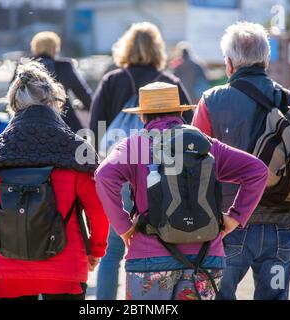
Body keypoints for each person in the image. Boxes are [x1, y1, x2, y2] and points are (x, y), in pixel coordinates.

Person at [192, 21, 290, 300]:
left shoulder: (211, 101)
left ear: (229, 63)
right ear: (266, 60)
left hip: (228, 225)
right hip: (283, 226)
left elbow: (195, 168)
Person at [0, 61, 109, 300]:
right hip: (66, 271)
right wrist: (95, 250)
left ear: (14, 105)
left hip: (11, 270)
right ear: (54, 102)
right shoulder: (75, 152)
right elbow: (98, 210)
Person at [95, 82, 268, 300]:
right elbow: (258, 171)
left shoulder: (134, 146)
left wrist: (123, 226)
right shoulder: (206, 145)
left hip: (149, 258)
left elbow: (103, 176)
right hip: (205, 259)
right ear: (180, 112)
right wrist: (236, 217)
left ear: (143, 117)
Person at [90, 22, 193, 300]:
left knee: (112, 252)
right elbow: (190, 132)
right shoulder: (170, 83)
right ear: (158, 49)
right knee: (164, 243)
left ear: (125, 47)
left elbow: (94, 129)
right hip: (165, 177)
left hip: (120, 175)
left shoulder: (112, 81)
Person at [30, 31, 93, 132]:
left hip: (31, 122)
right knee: (82, 145)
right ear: (55, 48)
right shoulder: (65, 66)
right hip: (64, 122)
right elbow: (83, 94)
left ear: (34, 47)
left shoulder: (24, 67)